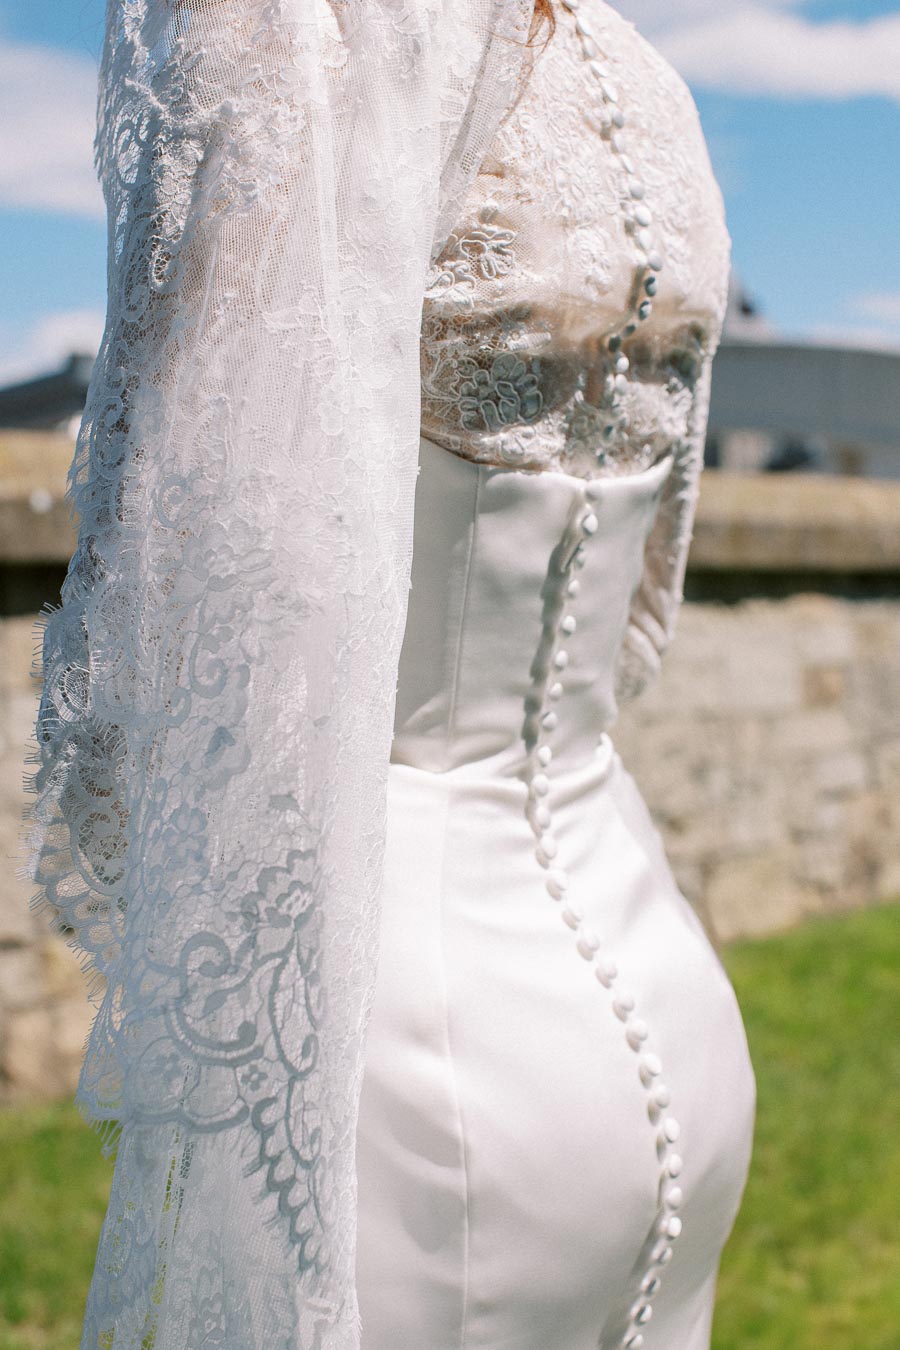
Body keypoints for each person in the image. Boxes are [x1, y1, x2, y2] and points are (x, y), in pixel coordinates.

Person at [20, 2, 755, 1347]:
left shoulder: (291, 24)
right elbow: (642, 611)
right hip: (653, 964)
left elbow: (171, 591)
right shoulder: (646, 83)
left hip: (403, 1051)